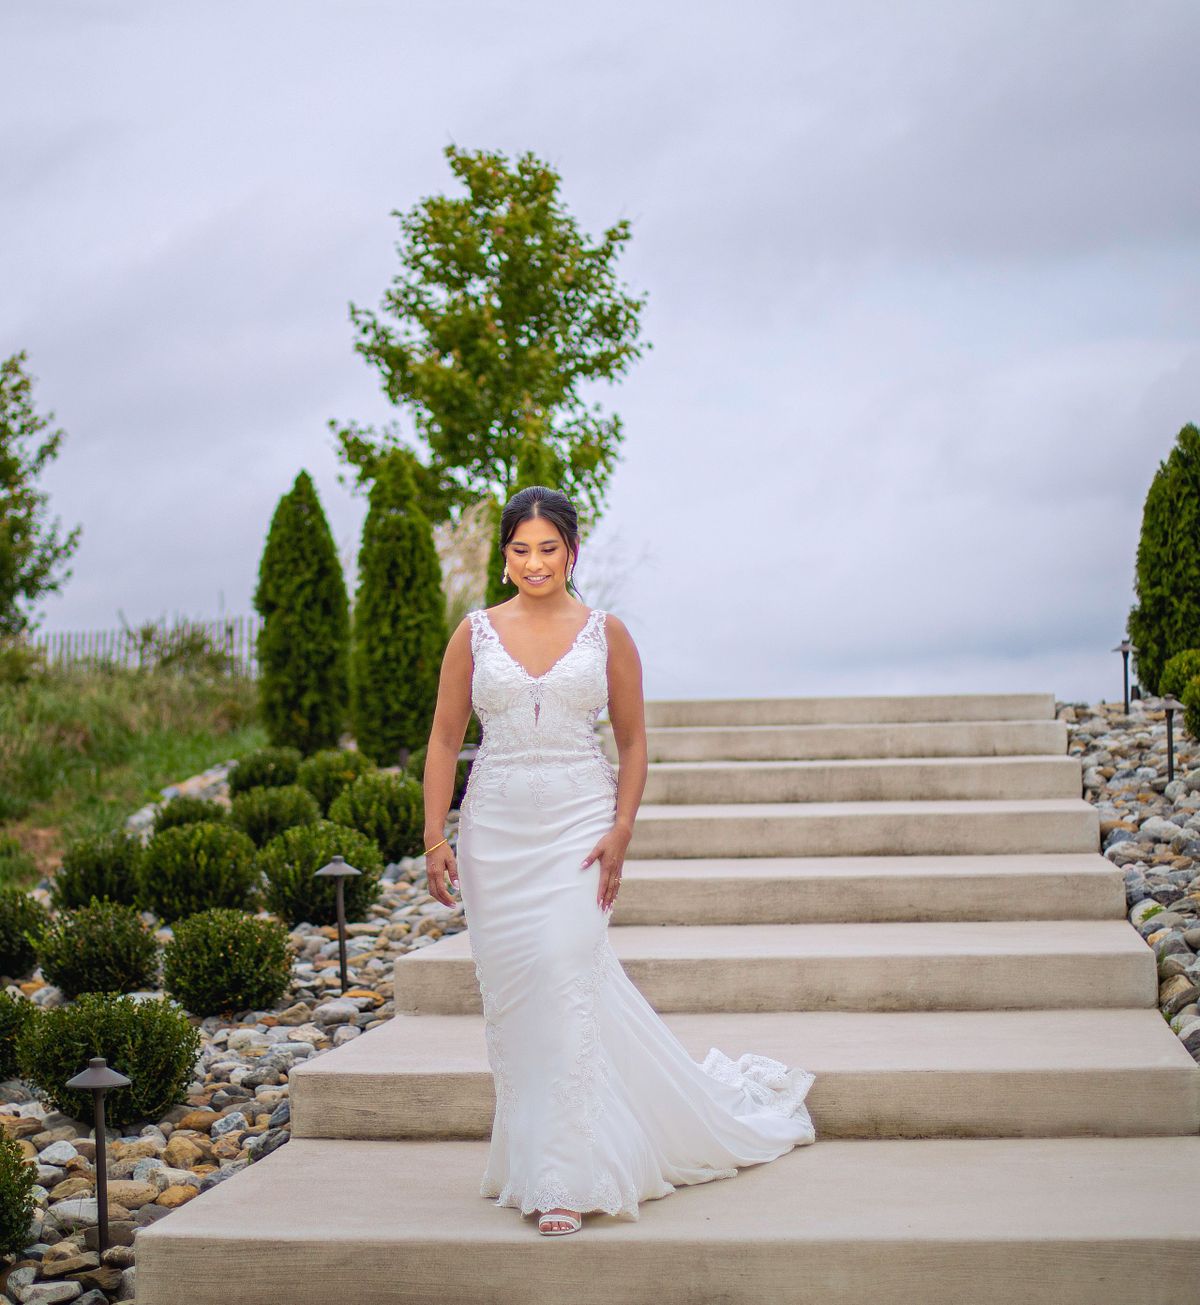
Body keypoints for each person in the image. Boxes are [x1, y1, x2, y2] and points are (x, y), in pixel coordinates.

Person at [421, 485, 816, 1237]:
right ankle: (530, 1156)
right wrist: (435, 837)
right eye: (519, 549)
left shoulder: (608, 634)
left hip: (578, 826)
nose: (534, 562)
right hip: (494, 835)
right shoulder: (473, 635)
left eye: (548, 547)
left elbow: (633, 743)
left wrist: (622, 828)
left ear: (572, 553)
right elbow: (444, 739)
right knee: (518, 1002)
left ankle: (567, 1179)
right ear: (503, 560)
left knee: (566, 975)